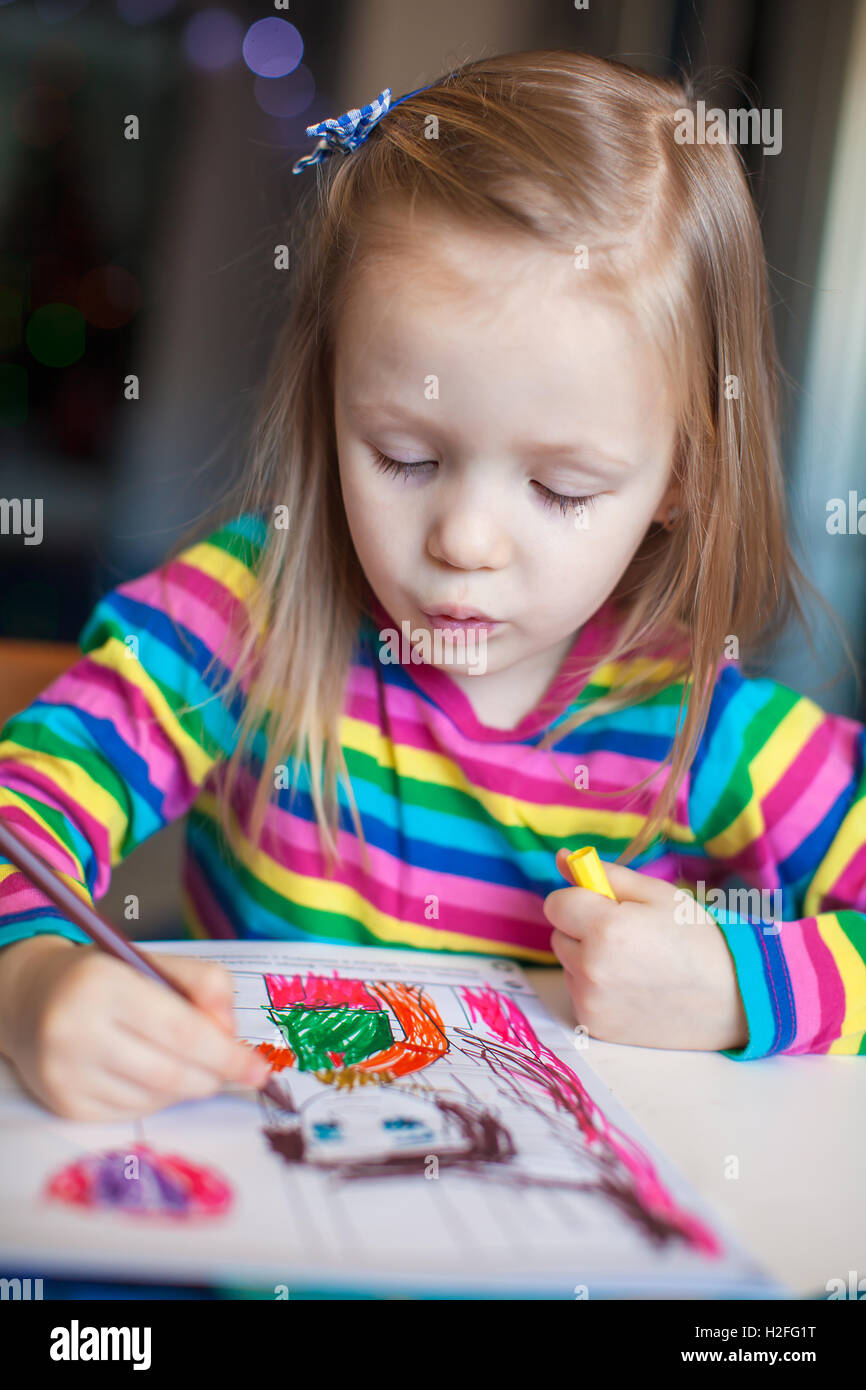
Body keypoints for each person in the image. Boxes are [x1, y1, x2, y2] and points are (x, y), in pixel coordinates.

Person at [1, 50, 863, 1123]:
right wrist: (27, 981)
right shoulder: (243, 616)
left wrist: (740, 987)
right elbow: (21, 813)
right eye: (405, 456)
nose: (462, 540)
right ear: (330, 402)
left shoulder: (711, 734)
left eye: (558, 485)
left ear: (677, 478)